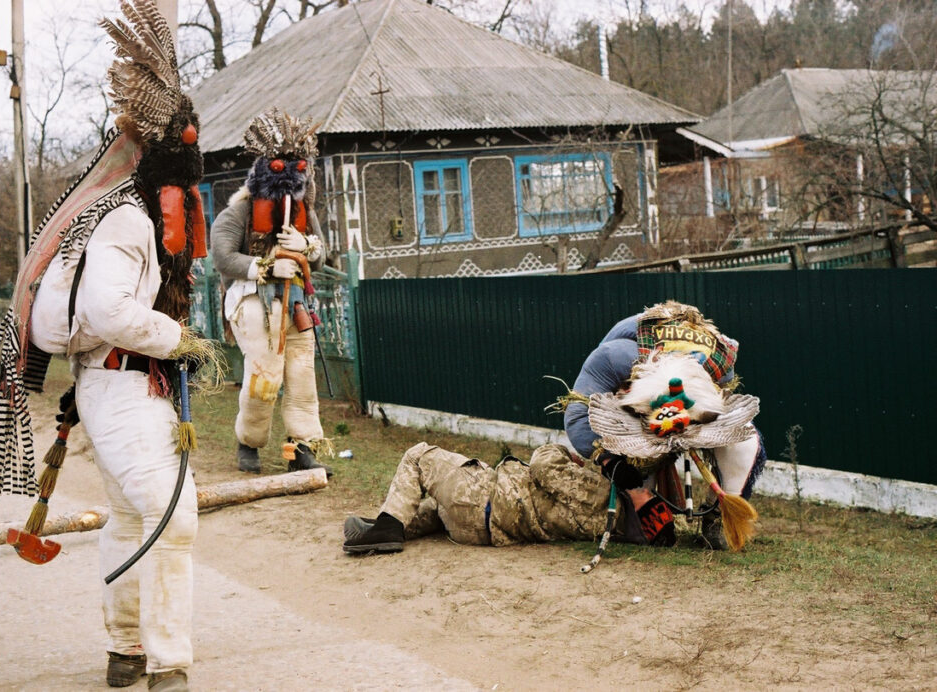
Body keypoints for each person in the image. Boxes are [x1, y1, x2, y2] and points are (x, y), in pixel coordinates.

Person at [0, 3, 210, 690]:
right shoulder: (128, 222)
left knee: (135, 515)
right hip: (118, 385)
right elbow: (108, 309)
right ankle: (166, 662)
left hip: (120, 387)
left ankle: (125, 652)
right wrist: (179, 339)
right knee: (175, 516)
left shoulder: (125, 215)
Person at [564, 300, 766, 550]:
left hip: (690, 398)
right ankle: (638, 496)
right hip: (635, 401)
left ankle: (718, 517)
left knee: (744, 441)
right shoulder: (612, 358)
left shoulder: (719, 365)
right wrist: (611, 463)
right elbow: (576, 414)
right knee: (635, 458)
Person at [211, 109, 331, 477]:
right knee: (265, 375)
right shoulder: (241, 211)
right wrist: (263, 267)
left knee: (302, 375)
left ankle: (302, 447)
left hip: (294, 303)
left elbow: (322, 254)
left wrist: (307, 245)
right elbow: (222, 254)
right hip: (251, 300)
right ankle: (249, 441)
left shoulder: (302, 212)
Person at [341, 442, 677, 554]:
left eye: (646, 495)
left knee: (419, 457)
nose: (645, 490)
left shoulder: (605, 500)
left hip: (482, 498)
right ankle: (388, 526)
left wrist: (566, 452)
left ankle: (387, 528)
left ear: (637, 506)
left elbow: (545, 466)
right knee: (432, 508)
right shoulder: (609, 526)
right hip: (478, 530)